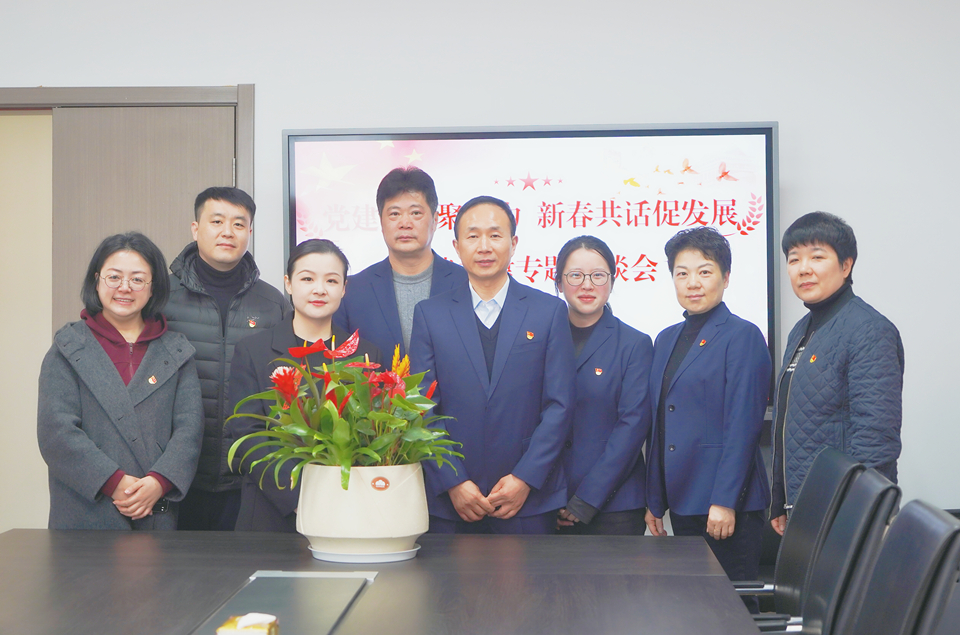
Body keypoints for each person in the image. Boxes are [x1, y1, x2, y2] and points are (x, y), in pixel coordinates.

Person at [410, 195, 576, 535]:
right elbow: (421, 407)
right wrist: (454, 481)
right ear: (456, 247)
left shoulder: (548, 312)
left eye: (495, 235)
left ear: (513, 243)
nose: (484, 246)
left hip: (528, 502)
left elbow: (560, 405)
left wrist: (524, 478)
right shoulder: (430, 314)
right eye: (473, 236)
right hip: (451, 504)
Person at [37, 232, 203, 529]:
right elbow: (56, 433)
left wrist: (159, 482)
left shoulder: (178, 351)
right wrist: (114, 482)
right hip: (85, 513)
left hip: (155, 512)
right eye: (114, 277)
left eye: (137, 279)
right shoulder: (67, 347)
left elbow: (189, 430)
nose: (124, 287)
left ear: (153, 288)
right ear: (96, 280)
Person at [644, 227, 770, 610]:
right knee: (694, 609)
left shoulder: (743, 336)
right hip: (683, 500)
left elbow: (743, 427)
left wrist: (725, 501)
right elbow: (660, 424)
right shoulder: (666, 339)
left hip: (725, 506)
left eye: (704, 271)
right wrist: (655, 500)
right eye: (682, 273)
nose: (692, 283)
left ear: (726, 277)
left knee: (731, 611)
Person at [226, 239, 381, 532]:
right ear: (288, 283)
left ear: (344, 288)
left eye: (331, 280)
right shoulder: (253, 351)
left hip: (347, 509)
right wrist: (302, 498)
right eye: (307, 279)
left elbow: (373, 434)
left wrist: (338, 495)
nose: (319, 289)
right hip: (272, 513)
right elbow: (247, 435)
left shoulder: (366, 355)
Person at [770, 212, 903, 536]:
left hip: (847, 514)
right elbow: (790, 422)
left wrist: (856, 515)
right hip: (806, 505)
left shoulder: (869, 330)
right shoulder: (801, 330)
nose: (803, 269)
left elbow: (876, 437)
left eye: (817, 257)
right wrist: (780, 500)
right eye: (794, 259)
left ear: (846, 265)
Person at [165, 186, 288, 531]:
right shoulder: (161, 296)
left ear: (249, 232)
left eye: (238, 223)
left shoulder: (272, 303)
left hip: (247, 476)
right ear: (196, 229)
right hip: (175, 476)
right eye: (216, 221)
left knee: (243, 562)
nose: (227, 232)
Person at [554, 236, 654, 535]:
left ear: (612, 281)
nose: (587, 285)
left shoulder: (634, 344)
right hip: (546, 501)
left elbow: (631, 429)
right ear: (559, 282)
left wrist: (585, 501)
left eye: (598, 275)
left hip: (615, 507)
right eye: (576, 275)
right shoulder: (539, 339)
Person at [334, 167, 467, 358]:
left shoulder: (466, 283)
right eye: (394, 214)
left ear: (435, 220)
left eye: (416, 213)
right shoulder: (352, 291)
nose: (405, 223)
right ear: (381, 221)